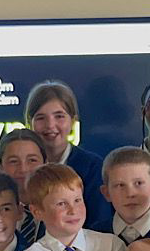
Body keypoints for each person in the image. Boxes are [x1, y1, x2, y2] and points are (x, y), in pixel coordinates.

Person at [26, 80, 109, 225]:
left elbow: (99, 223)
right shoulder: (24, 167)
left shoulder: (92, 167)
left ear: (73, 121)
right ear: (29, 122)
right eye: (41, 118)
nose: (50, 125)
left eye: (59, 116)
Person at [88, 146, 150, 243]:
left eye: (138, 183)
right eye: (120, 185)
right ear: (106, 193)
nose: (130, 194)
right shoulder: (94, 235)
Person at [0, 128, 48, 247]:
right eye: (14, 161)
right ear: (1, 168)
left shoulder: (60, 209)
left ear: (46, 164)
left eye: (32, 160)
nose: (23, 169)